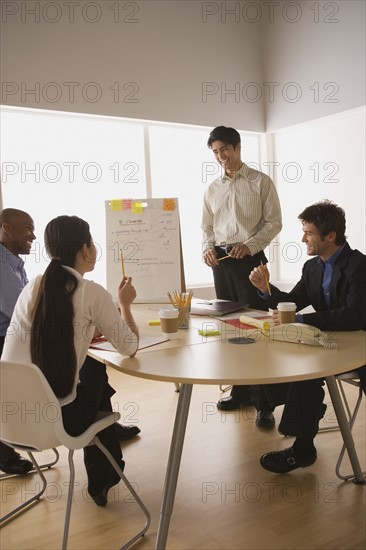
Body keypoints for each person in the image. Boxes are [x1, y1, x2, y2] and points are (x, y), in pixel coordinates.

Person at [2, 215, 140, 505]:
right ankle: (103, 475)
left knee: (91, 369)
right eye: (91, 243)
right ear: (84, 249)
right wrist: (125, 305)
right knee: (95, 372)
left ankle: (104, 470)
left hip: (8, 420)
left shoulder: (32, 287)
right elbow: (129, 346)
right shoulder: (91, 292)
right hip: (57, 423)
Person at [249, 200, 366, 473]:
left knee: (309, 369)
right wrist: (266, 289)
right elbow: (292, 302)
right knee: (295, 363)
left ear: (330, 236)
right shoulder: (312, 268)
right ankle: (305, 442)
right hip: (336, 344)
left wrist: (300, 320)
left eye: (309, 233)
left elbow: (354, 316)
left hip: (361, 347)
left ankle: (303, 437)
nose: (303, 238)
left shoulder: (359, 266)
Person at [201, 126, 282, 422]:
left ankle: (264, 402)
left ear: (237, 147)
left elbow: (274, 223)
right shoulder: (212, 189)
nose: (220, 156)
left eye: (224, 149)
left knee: (255, 328)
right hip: (222, 264)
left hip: (250, 260)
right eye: (215, 152)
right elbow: (206, 228)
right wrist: (207, 250)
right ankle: (241, 392)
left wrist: (249, 246)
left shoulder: (261, 182)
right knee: (231, 328)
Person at [0, 208, 36, 475]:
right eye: (27, 229)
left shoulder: (13, 263)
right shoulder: (2, 267)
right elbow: (21, 313)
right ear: (6, 228)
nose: (33, 235)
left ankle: (100, 423)